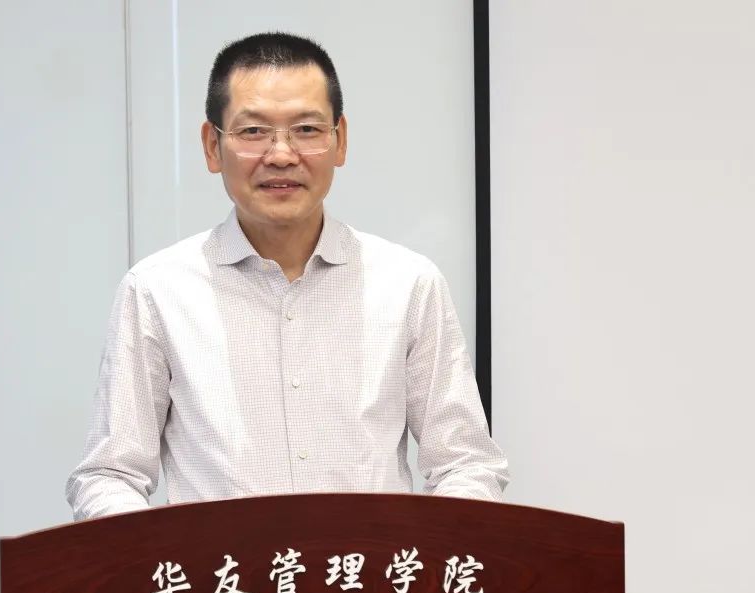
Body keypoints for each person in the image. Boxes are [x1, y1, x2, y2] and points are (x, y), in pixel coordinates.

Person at [66, 32, 508, 520]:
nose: (281, 154)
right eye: (254, 131)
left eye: (307, 129)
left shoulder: (407, 284)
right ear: (212, 146)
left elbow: (466, 464)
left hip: (366, 567)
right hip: (222, 569)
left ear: (339, 140)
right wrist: (151, 554)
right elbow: (111, 475)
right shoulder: (157, 290)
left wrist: (429, 552)